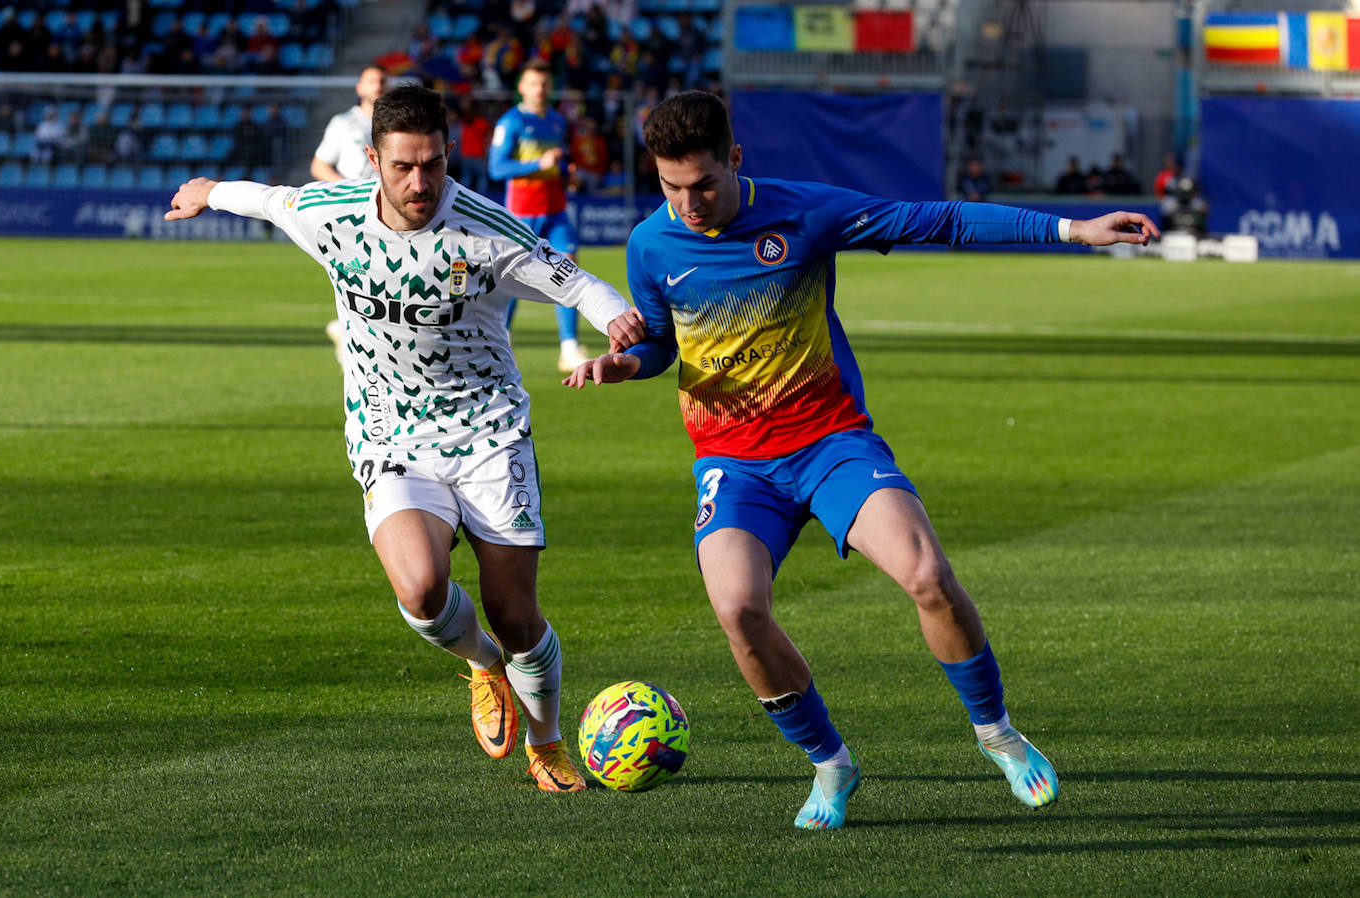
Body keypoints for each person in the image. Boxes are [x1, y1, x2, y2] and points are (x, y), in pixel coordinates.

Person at [563, 91, 1159, 829]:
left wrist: (1072, 229)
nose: (688, 202)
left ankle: (997, 734)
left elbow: (939, 220)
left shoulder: (803, 212)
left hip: (830, 442)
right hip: (734, 462)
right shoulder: (651, 245)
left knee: (928, 577)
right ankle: (830, 765)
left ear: (735, 160)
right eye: (670, 186)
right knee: (738, 610)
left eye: (703, 184)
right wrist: (622, 365)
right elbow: (658, 343)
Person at [165, 84, 643, 793]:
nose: (420, 182)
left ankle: (546, 744)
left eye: (433, 164)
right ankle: (483, 666)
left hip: (487, 430)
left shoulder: (485, 229)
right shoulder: (332, 215)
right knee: (422, 587)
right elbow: (267, 198)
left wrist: (617, 317)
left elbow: (576, 282)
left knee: (517, 614)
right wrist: (209, 189)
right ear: (374, 161)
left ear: (449, 155)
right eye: (403, 167)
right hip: (392, 430)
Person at [488, 59, 588, 373]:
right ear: (521, 87)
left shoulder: (557, 121)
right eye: (533, 83)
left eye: (544, 83)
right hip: (522, 213)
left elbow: (552, 164)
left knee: (568, 269)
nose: (540, 89)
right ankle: (501, 337)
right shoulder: (510, 123)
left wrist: (565, 174)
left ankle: (569, 348)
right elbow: (497, 168)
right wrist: (539, 164)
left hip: (556, 209)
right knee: (514, 280)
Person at [311, 65, 388, 365]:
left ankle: (349, 334)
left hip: (389, 209)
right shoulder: (344, 123)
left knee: (382, 272)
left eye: (383, 80)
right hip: (354, 211)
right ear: (360, 88)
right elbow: (319, 166)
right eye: (372, 80)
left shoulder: (395, 123)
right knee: (362, 270)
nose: (378, 85)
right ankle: (354, 336)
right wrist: (347, 190)